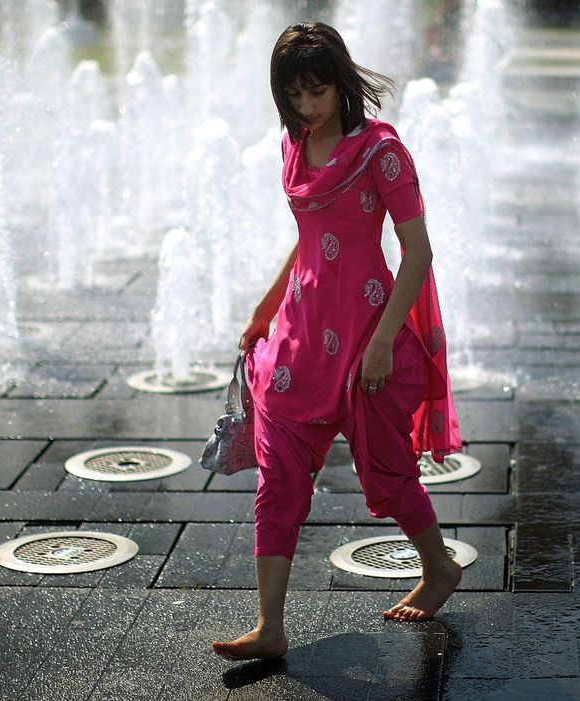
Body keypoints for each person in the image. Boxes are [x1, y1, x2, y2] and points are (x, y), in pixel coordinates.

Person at [211, 21, 463, 661]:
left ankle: (439, 568)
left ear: (341, 84)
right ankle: (270, 627)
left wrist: (383, 344)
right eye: (294, 95)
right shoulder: (297, 142)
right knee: (279, 477)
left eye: (317, 92)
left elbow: (418, 254)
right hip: (301, 334)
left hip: (365, 336)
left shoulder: (381, 151)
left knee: (387, 470)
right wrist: (267, 306)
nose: (306, 107)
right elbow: (308, 234)